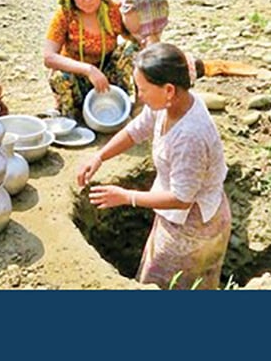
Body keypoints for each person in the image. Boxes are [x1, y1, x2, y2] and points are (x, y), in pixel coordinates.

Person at [76, 44, 229, 290]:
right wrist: (100, 157)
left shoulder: (191, 136)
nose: (139, 96)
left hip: (194, 228)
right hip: (174, 218)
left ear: (169, 90)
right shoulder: (170, 105)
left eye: (143, 89)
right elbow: (136, 130)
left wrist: (127, 196)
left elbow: (181, 198)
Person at [43, 0, 136, 122]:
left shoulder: (113, 12)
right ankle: (70, 116)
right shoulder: (66, 15)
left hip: (108, 82)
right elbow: (49, 57)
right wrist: (89, 70)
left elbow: (138, 39)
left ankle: (124, 103)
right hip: (76, 80)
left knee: (131, 49)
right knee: (58, 76)